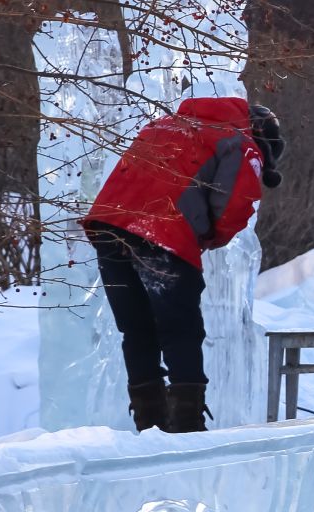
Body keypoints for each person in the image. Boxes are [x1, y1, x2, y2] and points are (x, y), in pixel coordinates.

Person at [82, 97, 284, 432]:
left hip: (108, 227)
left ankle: (149, 422)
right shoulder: (241, 141)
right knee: (181, 328)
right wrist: (208, 237)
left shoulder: (163, 125)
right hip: (161, 232)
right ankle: (187, 423)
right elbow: (236, 203)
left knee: (137, 327)